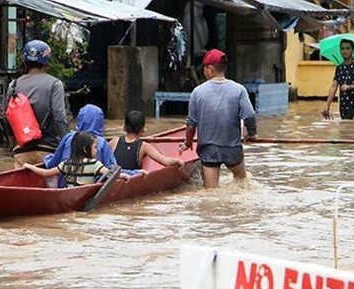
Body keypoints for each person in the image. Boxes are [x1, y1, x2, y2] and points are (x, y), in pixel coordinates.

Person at [178, 49, 257, 188]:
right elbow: (249, 116)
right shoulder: (239, 90)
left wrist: (188, 143)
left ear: (210, 69)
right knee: (243, 182)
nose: (203, 72)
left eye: (204, 69)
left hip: (209, 150)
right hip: (232, 148)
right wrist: (251, 134)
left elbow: (191, 124)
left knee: (211, 193)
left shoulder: (197, 92)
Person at [9, 39, 69, 168]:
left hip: (21, 150)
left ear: (25, 61)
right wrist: (67, 143)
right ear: (46, 61)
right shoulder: (55, 84)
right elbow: (59, 117)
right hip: (48, 150)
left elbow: (6, 117)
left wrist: (12, 143)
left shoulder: (13, 85)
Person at [44, 104, 117, 187]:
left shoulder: (68, 137)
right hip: (90, 188)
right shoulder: (101, 142)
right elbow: (112, 169)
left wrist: (46, 158)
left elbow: (52, 163)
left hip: (65, 186)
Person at [24, 132, 122, 187]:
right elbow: (110, 174)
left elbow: (46, 173)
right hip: (82, 195)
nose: (97, 150)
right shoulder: (95, 164)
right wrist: (123, 175)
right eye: (95, 147)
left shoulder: (67, 163)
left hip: (67, 194)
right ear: (85, 149)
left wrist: (29, 166)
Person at [109, 110, 184, 175]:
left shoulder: (114, 141)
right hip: (130, 177)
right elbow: (166, 161)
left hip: (114, 176)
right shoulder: (144, 146)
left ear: (124, 127)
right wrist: (179, 161)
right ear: (143, 129)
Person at [323, 39, 354, 120]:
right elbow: (334, 86)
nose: (345, 51)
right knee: (344, 128)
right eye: (343, 48)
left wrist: (349, 87)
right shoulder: (339, 68)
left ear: (352, 50)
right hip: (343, 105)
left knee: (353, 128)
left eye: (348, 48)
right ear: (340, 50)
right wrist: (327, 105)